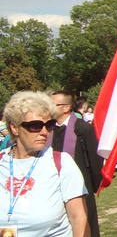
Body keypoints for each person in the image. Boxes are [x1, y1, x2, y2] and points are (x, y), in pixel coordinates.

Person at [0, 91, 88, 235]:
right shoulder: (1, 162)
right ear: (15, 128)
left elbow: (79, 218)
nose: (44, 132)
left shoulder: (61, 163)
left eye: (49, 125)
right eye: (35, 125)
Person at [50, 90, 104, 236]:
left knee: (85, 222)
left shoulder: (82, 128)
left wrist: (93, 184)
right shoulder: (48, 129)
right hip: (55, 185)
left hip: (81, 185)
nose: (48, 107)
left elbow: (95, 158)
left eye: (52, 104)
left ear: (66, 107)